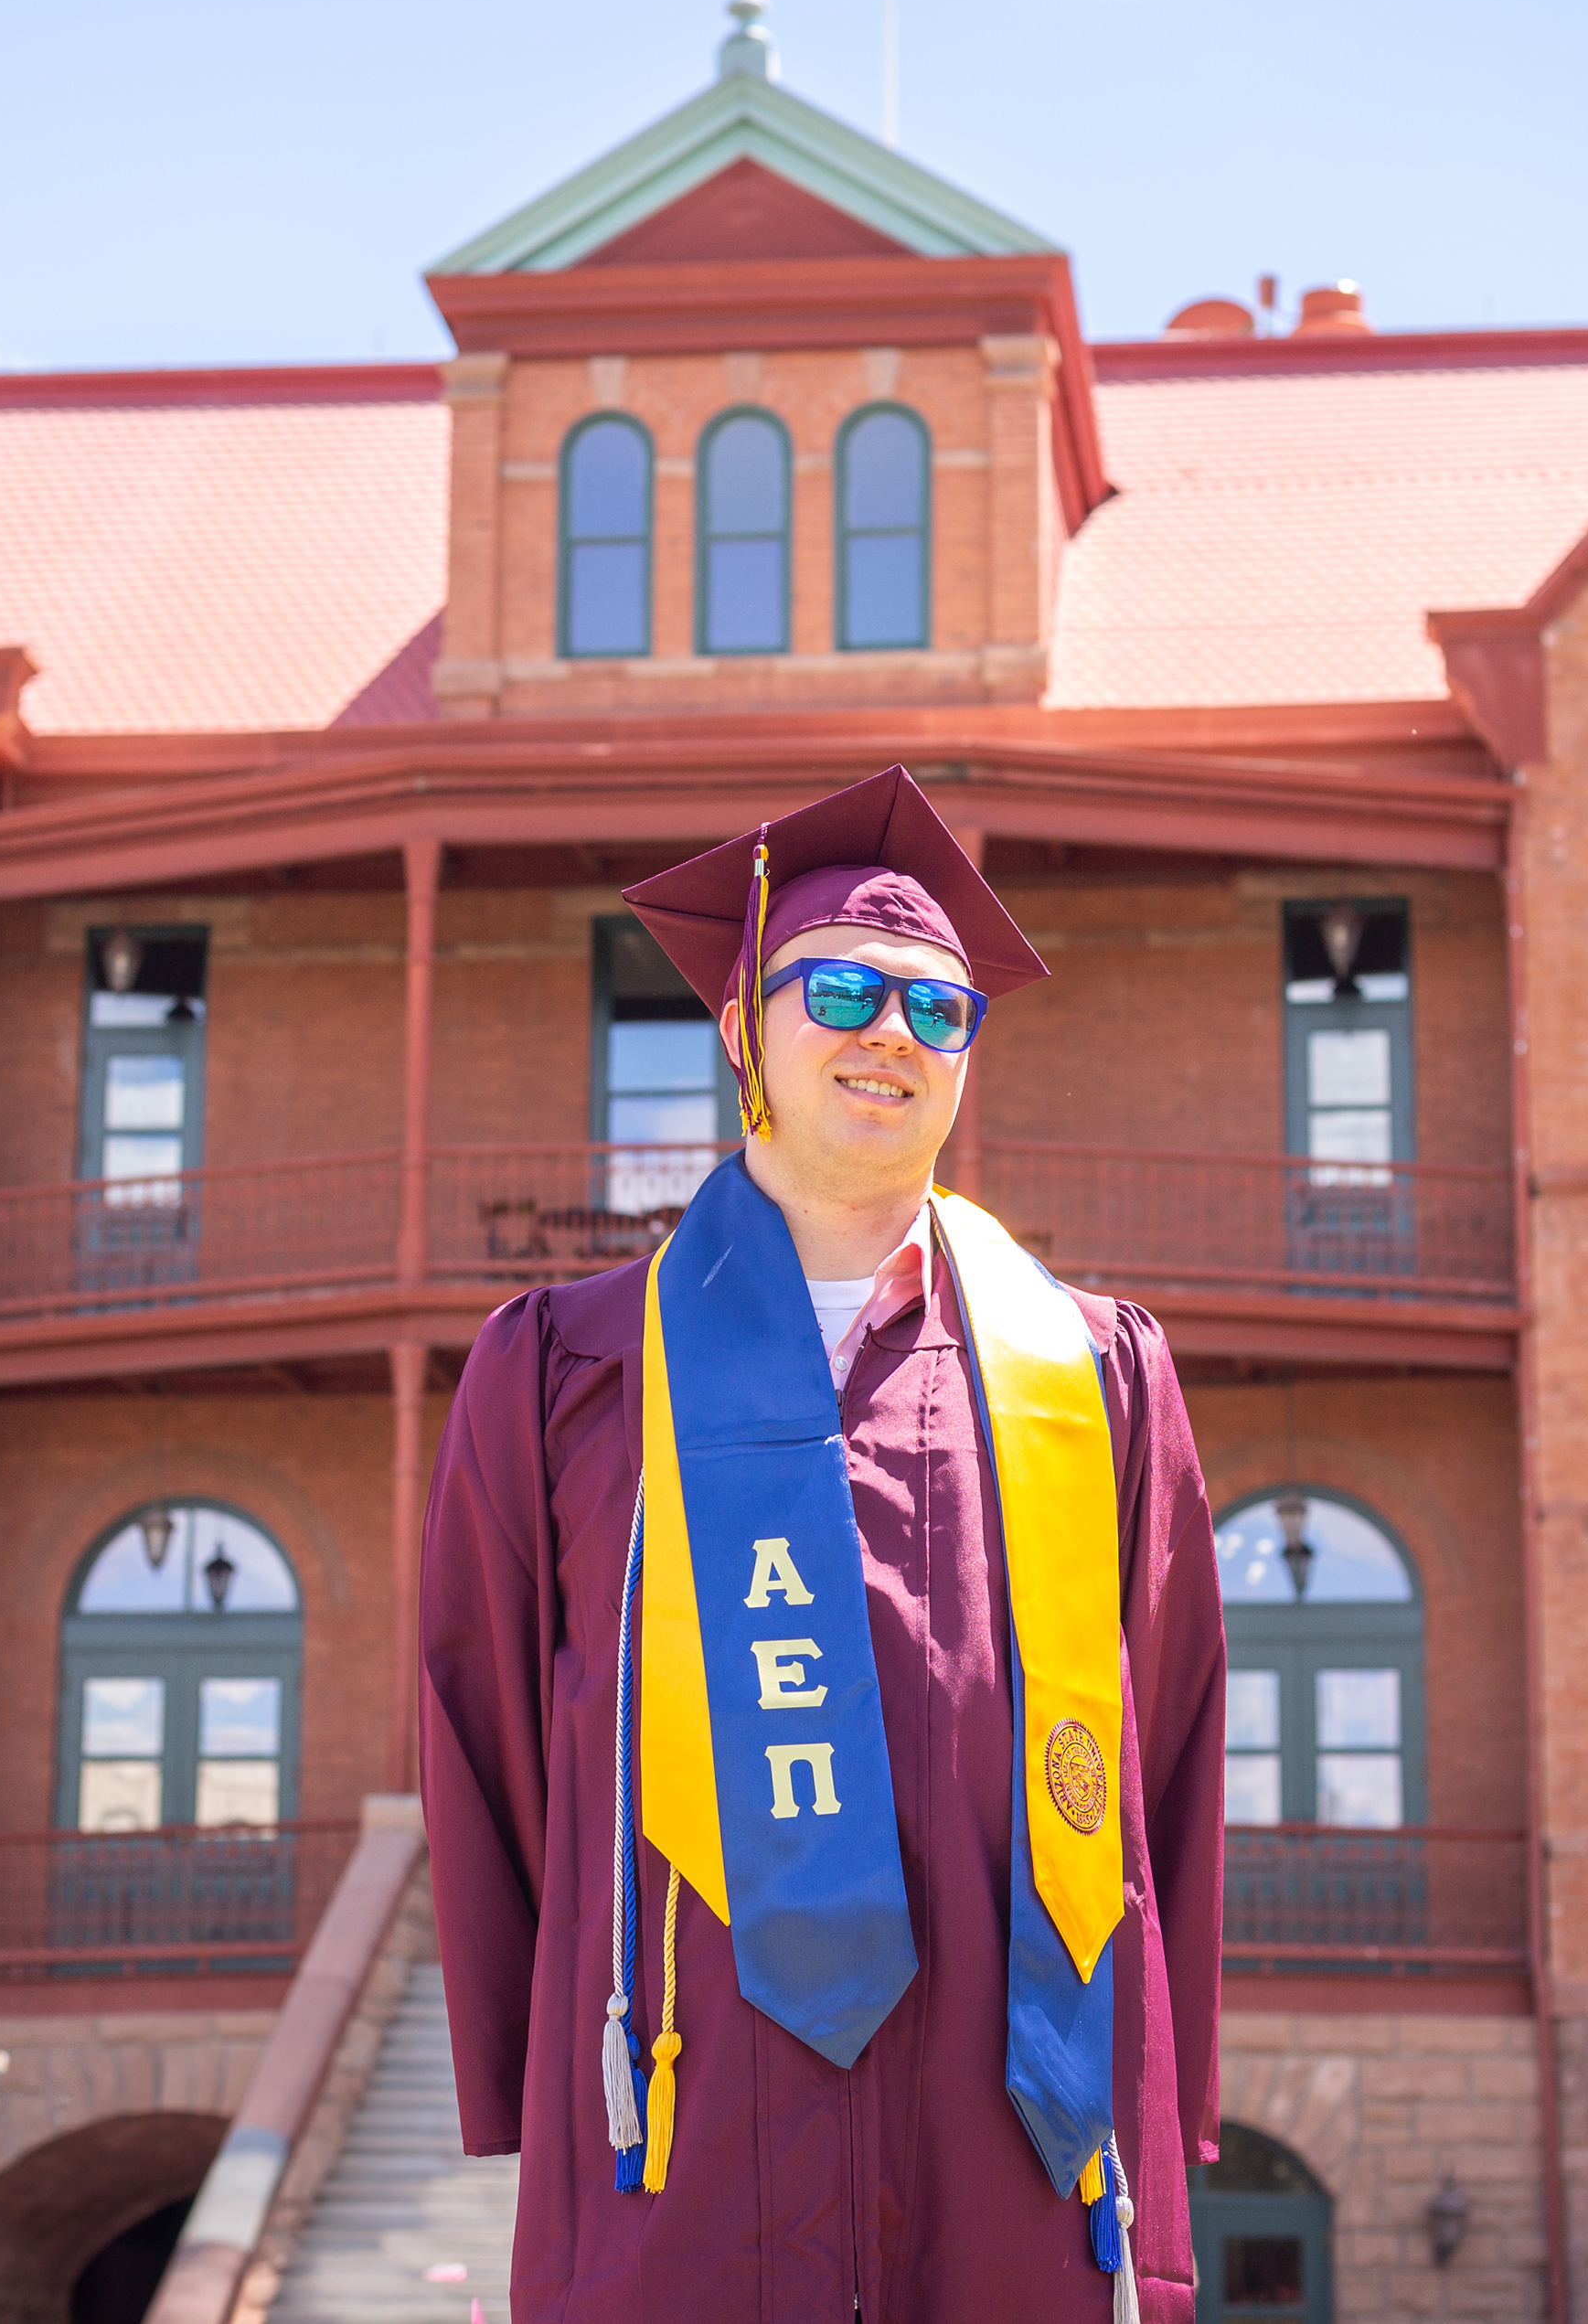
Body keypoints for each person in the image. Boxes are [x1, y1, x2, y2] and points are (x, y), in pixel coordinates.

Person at [421, 765, 1227, 2323]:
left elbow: (1164, 1758)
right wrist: (554, 2042)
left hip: (1011, 2141)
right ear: (743, 1032)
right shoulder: (567, 1372)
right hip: (686, 2120)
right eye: (844, 990)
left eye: (942, 1010)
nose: (893, 1036)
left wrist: (1157, 2093)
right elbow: (494, 1744)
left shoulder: (1092, 1374)